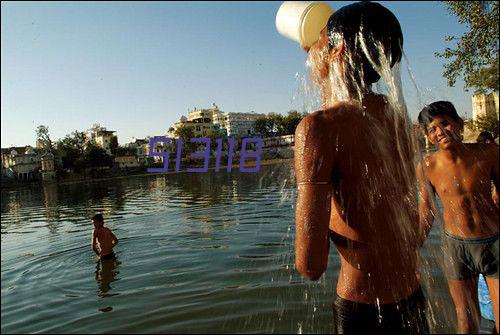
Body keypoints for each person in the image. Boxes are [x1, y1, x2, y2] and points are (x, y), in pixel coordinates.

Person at [294, 2, 428, 333]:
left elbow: (310, 266)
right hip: (413, 297)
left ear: (337, 49)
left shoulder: (318, 129)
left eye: (321, 44)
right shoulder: (395, 118)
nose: (312, 53)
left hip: (362, 307)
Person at [417, 101, 499, 333]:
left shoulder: (488, 153)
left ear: (459, 125)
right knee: (466, 321)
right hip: (457, 248)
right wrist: (413, 250)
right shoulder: (428, 166)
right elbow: (426, 212)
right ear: (429, 137)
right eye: (432, 129)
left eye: (445, 124)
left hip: (494, 242)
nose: (440, 132)